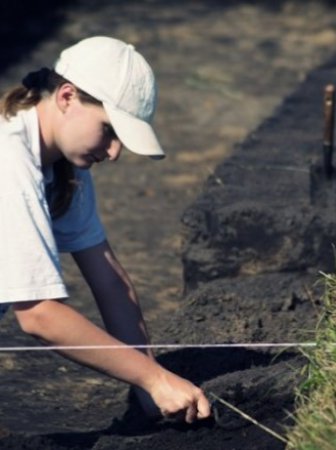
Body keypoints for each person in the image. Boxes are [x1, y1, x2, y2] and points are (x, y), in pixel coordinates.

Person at [0, 36, 210, 424]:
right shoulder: (8, 158)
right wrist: (154, 378)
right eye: (109, 130)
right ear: (66, 97)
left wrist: (151, 390)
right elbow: (38, 315)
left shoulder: (62, 166)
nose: (114, 152)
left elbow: (110, 281)